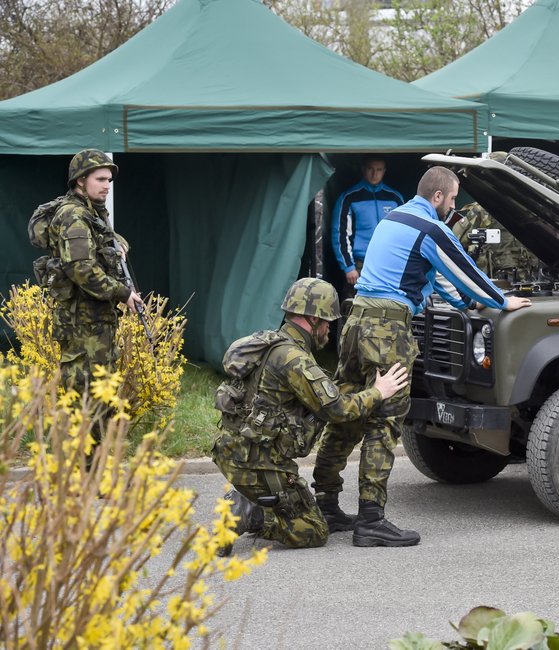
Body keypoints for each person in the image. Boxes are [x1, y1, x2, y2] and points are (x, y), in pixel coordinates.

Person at [312, 166, 532, 547]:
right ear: (438, 198)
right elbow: (465, 270)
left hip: (355, 322)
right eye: (452, 198)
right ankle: (371, 520)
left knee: (347, 412)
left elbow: (442, 280)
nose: (454, 205)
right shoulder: (432, 229)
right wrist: (502, 301)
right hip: (387, 331)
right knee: (385, 420)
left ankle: (327, 503)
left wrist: (463, 304)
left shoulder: (393, 218)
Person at [211, 278, 409, 553]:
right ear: (312, 319)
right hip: (260, 464)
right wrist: (378, 391)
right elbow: (337, 410)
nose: (329, 328)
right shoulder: (295, 360)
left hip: (234, 453)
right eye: (327, 321)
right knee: (314, 531)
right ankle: (251, 511)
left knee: (303, 513)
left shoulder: (272, 343)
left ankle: (251, 497)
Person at [47, 149, 143, 397]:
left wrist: (117, 242)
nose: (107, 186)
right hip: (82, 323)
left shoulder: (92, 212)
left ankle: (102, 437)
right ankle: (85, 437)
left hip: (96, 319)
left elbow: (99, 242)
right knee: (85, 394)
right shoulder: (74, 215)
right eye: (100, 179)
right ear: (80, 180)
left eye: (109, 180)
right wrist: (123, 293)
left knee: (102, 390)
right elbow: (81, 269)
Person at [330, 156, 403, 302]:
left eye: (379, 170)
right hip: (359, 265)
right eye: (370, 169)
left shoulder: (395, 198)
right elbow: (340, 234)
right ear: (363, 169)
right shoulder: (349, 197)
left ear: (384, 171)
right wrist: (348, 267)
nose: (374, 174)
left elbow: (403, 234)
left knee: (385, 306)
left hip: (389, 264)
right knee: (353, 309)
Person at [450, 201, 539, 284]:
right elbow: (454, 243)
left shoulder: (533, 210)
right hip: (492, 283)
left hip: (530, 282)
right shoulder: (482, 211)